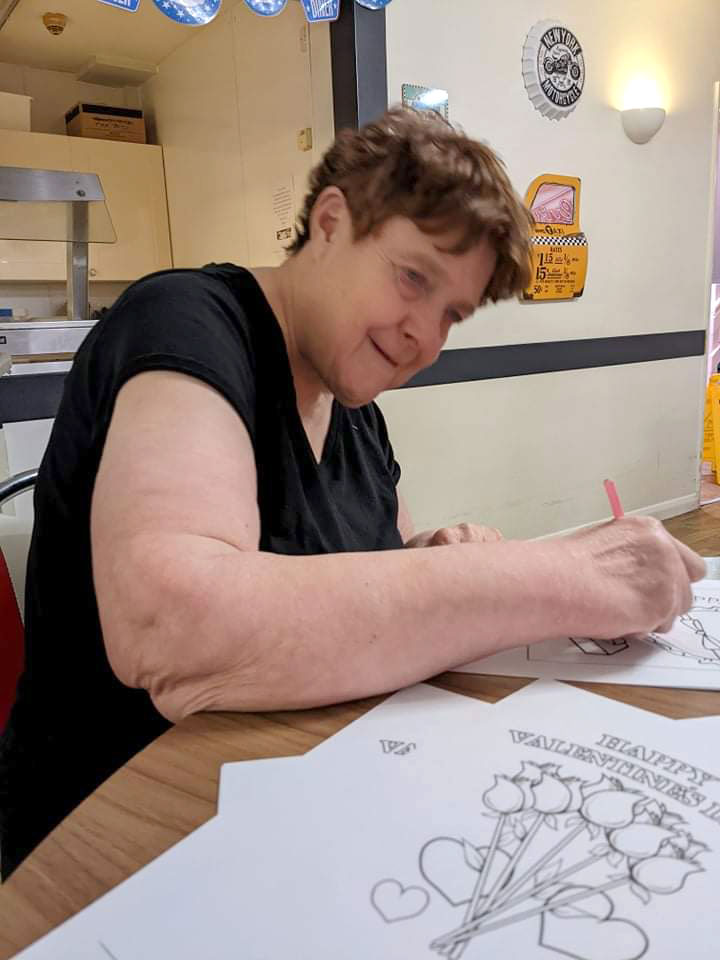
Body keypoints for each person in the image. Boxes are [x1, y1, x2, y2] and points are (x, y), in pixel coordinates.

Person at [0, 106, 704, 880]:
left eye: (451, 314)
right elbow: (171, 625)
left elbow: (378, 570)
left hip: (289, 811)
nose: (425, 338)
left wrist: (432, 551)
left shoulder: (357, 411)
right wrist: (569, 575)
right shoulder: (188, 320)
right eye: (413, 278)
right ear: (330, 222)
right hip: (98, 839)